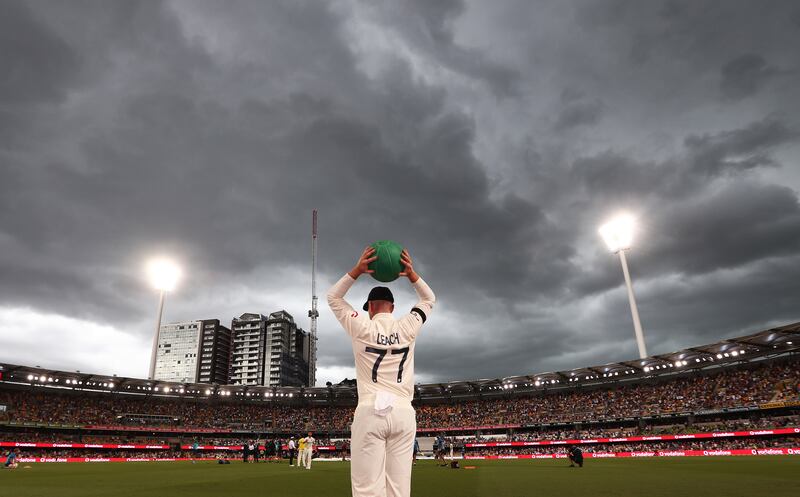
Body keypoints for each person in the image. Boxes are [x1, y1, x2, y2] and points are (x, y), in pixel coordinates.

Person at [328, 246, 435, 497]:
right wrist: (411, 274)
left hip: (370, 409)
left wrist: (357, 271)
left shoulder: (361, 325)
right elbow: (429, 299)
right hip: (403, 412)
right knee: (399, 489)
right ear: (392, 307)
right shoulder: (408, 325)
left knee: (367, 489)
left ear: (371, 308)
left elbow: (334, 297)